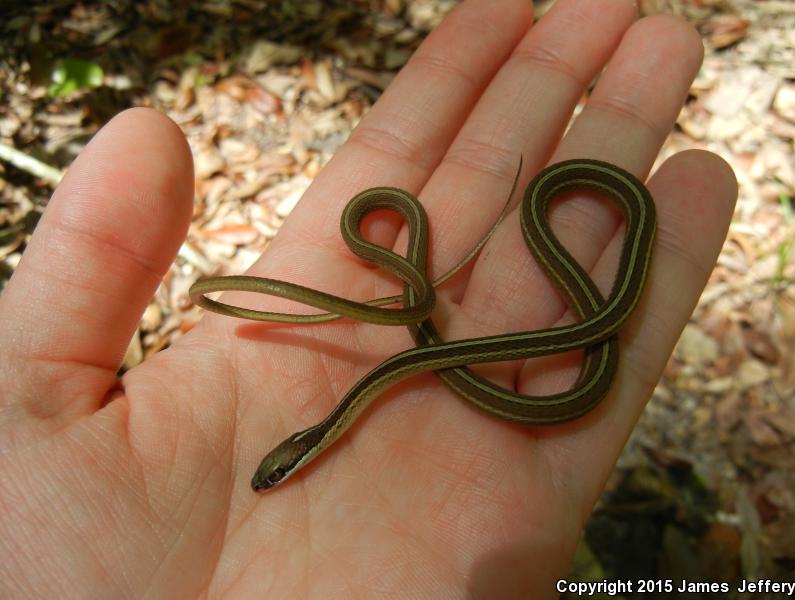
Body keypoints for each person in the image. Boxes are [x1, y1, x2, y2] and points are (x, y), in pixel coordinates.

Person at [0, 0, 736, 596]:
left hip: (527, 272)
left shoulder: (382, 376)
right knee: (500, 336)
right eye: (278, 471)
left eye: (277, 469)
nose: (275, 478)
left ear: (303, 456)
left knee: (581, 318)